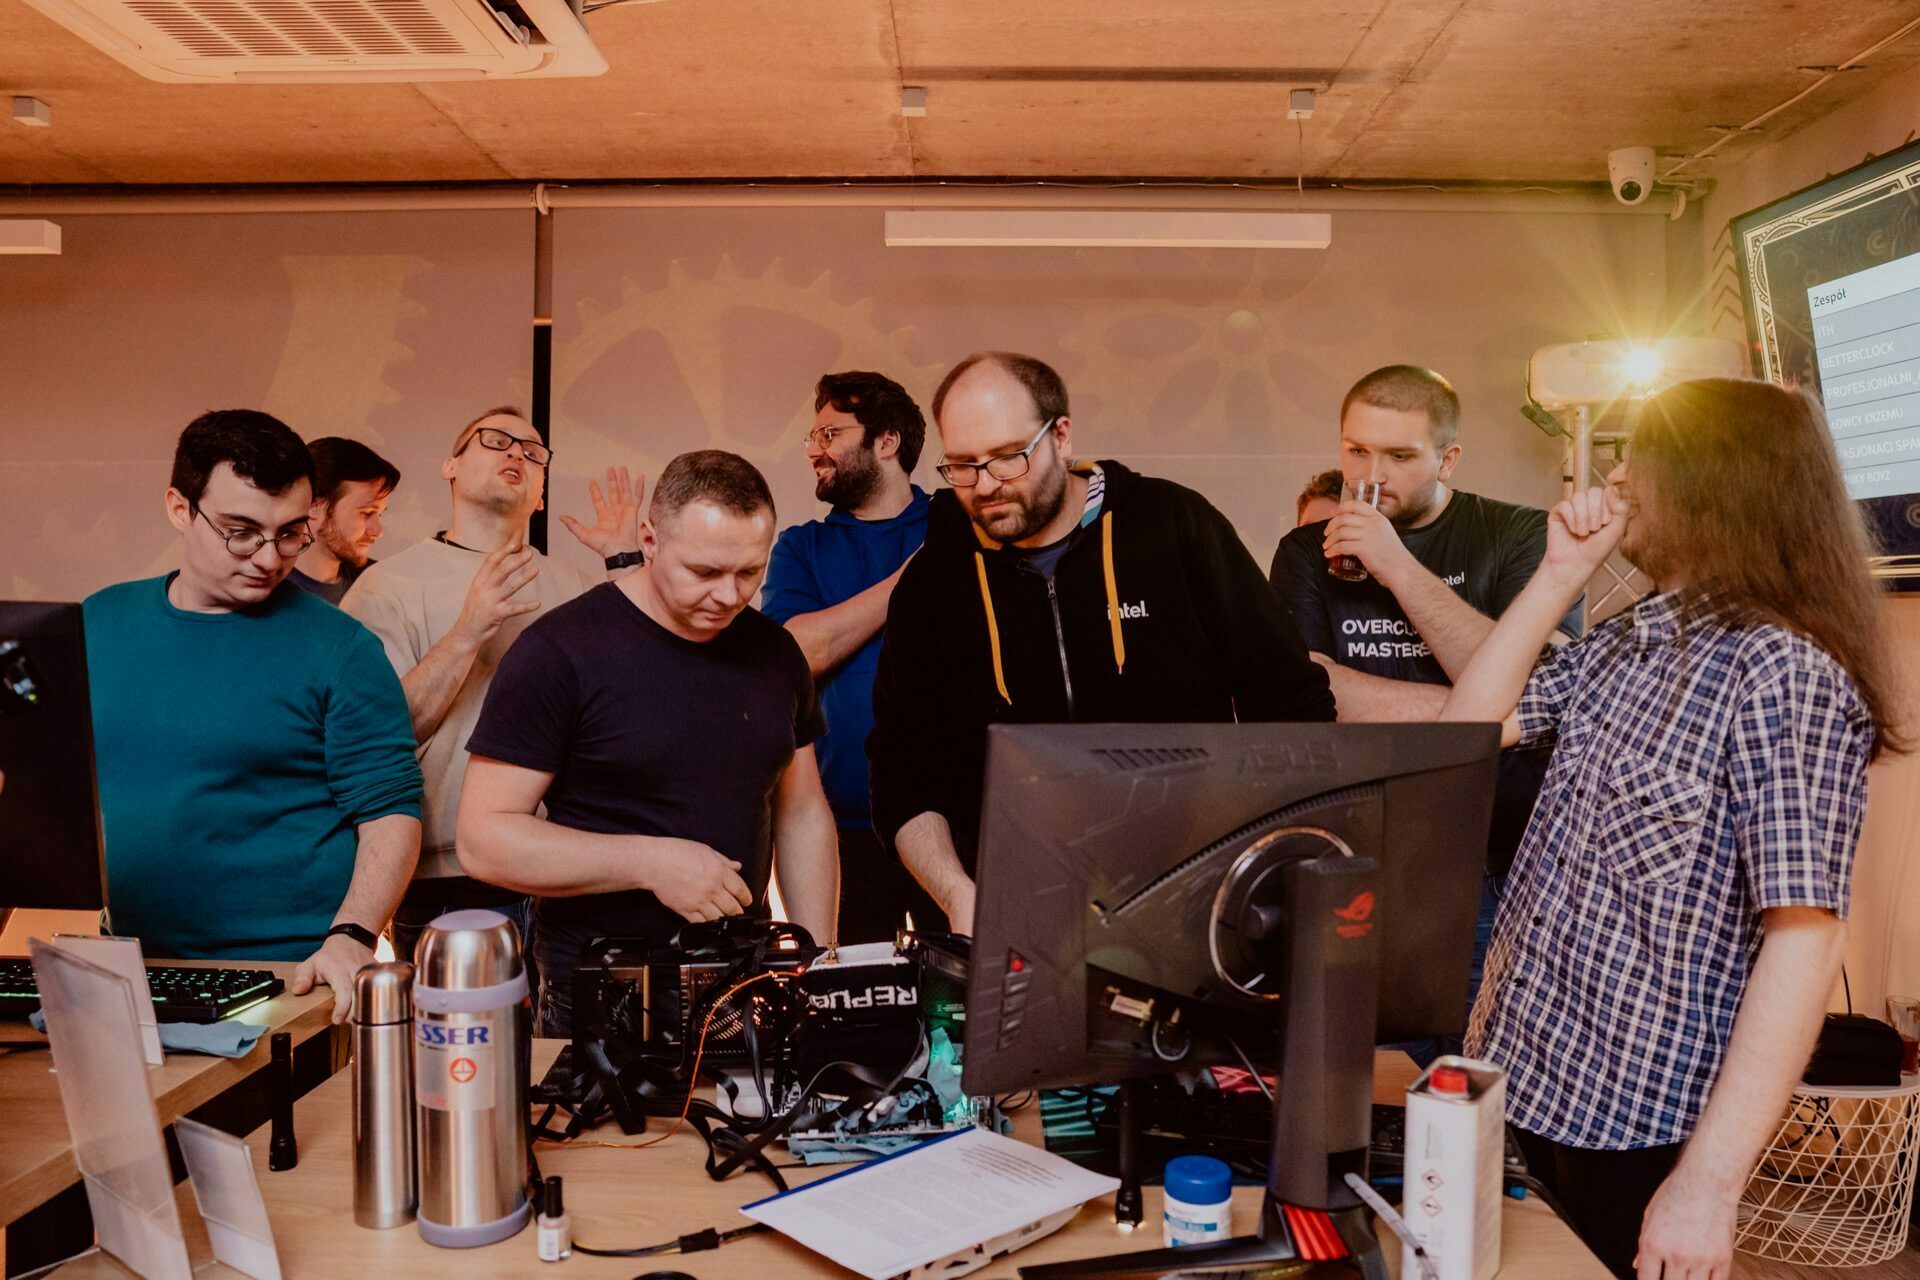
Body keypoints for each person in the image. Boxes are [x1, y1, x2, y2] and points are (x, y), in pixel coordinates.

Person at [1436, 378, 1900, 1278]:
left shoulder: (1782, 671)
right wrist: (1559, 576)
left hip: (1641, 1124)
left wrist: (1709, 1186)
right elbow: (1467, 733)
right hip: (1523, 1075)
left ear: (1703, 481)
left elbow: (1804, 941)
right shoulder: (1625, 643)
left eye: (1634, 459)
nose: (1616, 481)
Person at [868, 352, 1335, 936]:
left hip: (1193, 908)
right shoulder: (934, 583)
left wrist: (1264, 867)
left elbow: (1291, 704)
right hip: (1012, 918)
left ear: (1061, 436)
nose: (986, 486)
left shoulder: (1174, 526)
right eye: (962, 466)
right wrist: (959, 894)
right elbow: (901, 772)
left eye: (1009, 459)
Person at [457, 450, 838, 1035]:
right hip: (602, 990)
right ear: (649, 539)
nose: (729, 595)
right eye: (705, 572)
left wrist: (817, 963)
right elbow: (484, 839)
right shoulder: (559, 652)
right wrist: (651, 862)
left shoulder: (776, 652)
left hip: (741, 983)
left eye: (749, 572)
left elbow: (802, 810)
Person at [1268, 366, 1580, 1058]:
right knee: (1340, 1062)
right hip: (1356, 845)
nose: (1371, 474)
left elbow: (1550, 695)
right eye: (1357, 451)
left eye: (1401, 456)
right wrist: (1476, 716)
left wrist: (1399, 568)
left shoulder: (1517, 536)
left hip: (1494, 853)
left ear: (1448, 458)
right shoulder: (1302, 553)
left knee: (1487, 1064)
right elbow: (1310, 691)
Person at [83, 410, 423, 1023]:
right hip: (129, 966)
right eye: (241, 531)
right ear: (180, 508)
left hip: (290, 977)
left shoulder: (343, 649)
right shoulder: (97, 623)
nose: (269, 558)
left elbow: (390, 810)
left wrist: (351, 935)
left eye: (291, 532)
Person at [341, 406, 644, 966]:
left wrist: (624, 563)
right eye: (496, 441)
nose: (516, 454)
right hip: (447, 875)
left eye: (533, 452)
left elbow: (644, 704)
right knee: (461, 1054)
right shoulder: (386, 587)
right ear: (450, 466)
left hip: (570, 869)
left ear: (542, 495)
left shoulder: (577, 586)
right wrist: (469, 629)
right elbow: (382, 737)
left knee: (569, 1052)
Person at [761, 372, 940, 944]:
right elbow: (794, 652)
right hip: (841, 825)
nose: (814, 449)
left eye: (829, 433)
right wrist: (907, 582)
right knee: (851, 1012)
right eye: (811, 437)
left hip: (956, 821)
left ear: (886, 441)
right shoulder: (801, 546)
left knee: (971, 1000)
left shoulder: (959, 526)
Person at [289, 436, 399, 604]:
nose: (378, 531)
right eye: (366, 512)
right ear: (314, 507)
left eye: (380, 514)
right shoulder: (262, 591)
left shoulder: (378, 587)